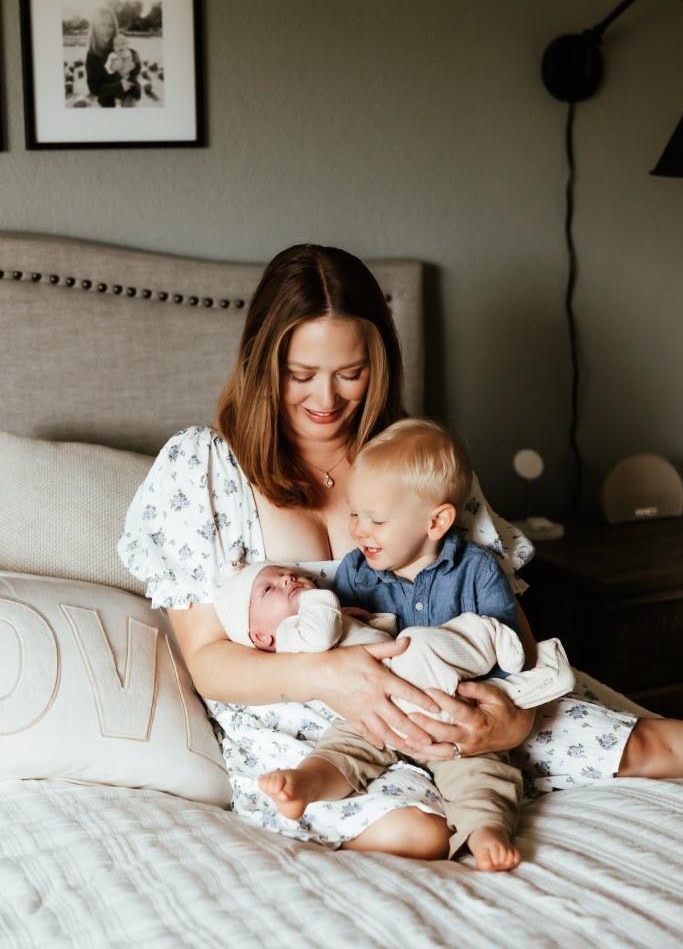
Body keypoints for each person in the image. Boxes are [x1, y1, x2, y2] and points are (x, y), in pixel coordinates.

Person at [118, 242, 683, 861]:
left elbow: (504, 625)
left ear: (380, 362)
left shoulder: (413, 459)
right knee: (417, 831)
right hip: (306, 715)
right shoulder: (200, 468)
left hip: (453, 688)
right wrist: (328, 674)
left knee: (656, 747)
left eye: (351, 373)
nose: (326, 400)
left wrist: (511, 718)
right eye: (300, 375)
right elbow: (207, 659)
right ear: (261, 363)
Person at [216, 538, 575, 870]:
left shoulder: (333, 615)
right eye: (270, 588)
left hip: (419, 700)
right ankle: (305, 783)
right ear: (260, 637)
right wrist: (313, 595)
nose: (289, 580)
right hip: (369, 712)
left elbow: (383, 630)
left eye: (289, 574)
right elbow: (321, 632)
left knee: (476, 768)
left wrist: (360, 619)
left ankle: (485, 829)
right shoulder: (292, 635)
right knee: (341, 752)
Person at [85, 8, 140, 108]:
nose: (107, 30)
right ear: (95, 27)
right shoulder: (92, 54)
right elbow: (94, 87)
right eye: (102, 25)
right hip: (107, 96)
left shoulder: (117, 43)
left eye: (110, 25)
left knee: (129, 109)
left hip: (128, 92)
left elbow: (133, 53)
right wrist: (119, 86)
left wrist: (134, 65)